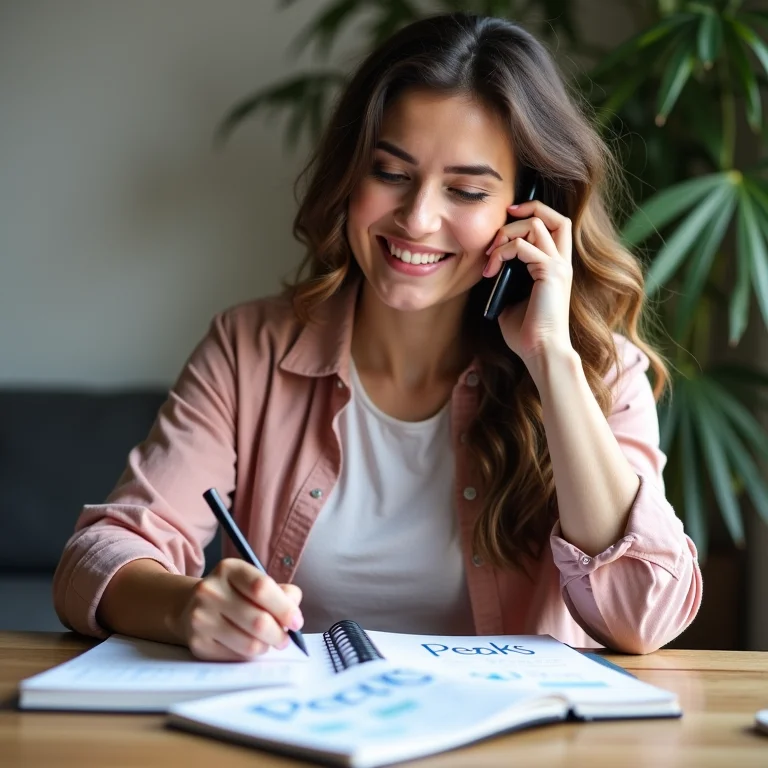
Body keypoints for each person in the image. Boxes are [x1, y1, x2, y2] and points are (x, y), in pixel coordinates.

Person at [53, 12, 702, 660]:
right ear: (352, 172)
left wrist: (550, 360)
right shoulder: (250, 348)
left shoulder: (595, 369)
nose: (418, 219)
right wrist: (191, 606)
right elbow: (98, 558)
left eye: (466, 190)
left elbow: (643, 614)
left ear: (528, 208)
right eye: (392, 174)